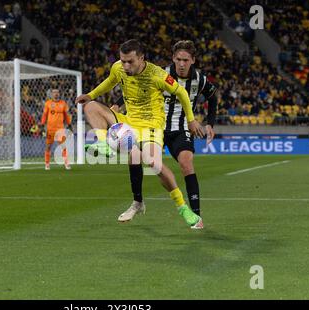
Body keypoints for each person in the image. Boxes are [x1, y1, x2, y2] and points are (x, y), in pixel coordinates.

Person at [75, 39, 205, 228]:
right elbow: (110, 82)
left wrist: (191, 119)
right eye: (123, 61)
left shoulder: (158, 75)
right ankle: (104, 143)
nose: (125, 66)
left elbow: (183, 94)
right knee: (91, 107)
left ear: (141, 58)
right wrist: (91, 95)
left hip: (151, 125)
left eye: (130, 62)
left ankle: (183, 208)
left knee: (153, 162)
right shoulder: (118, 67)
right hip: (129, 121)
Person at [112, 40, 218, 229]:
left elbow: (212, 96)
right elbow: (135, 88)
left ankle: (196, 216)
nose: (182, 64)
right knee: (135, 156)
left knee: (186, 163)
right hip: (155, 125)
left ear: (193, 60)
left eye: (186, 60)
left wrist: (210, 122)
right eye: (178, 59)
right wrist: (118, 105)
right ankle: (137, 201)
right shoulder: (161, 73)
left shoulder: (200, 80)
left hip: (181, 128)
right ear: (173, 59)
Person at [40, 88, 72, 170]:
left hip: (60, 129)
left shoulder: (63, 104)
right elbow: (44, 115)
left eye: (57, 92)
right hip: (50, 129)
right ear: (51, 94)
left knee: (64, 146)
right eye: (54, 92)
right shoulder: (48, 104)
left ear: (59, 94)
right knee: (48, 146)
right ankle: (47, 164)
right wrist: (42, 125)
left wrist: (69, 124)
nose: (56, 94)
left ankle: (66, 164)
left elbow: (66, 116)